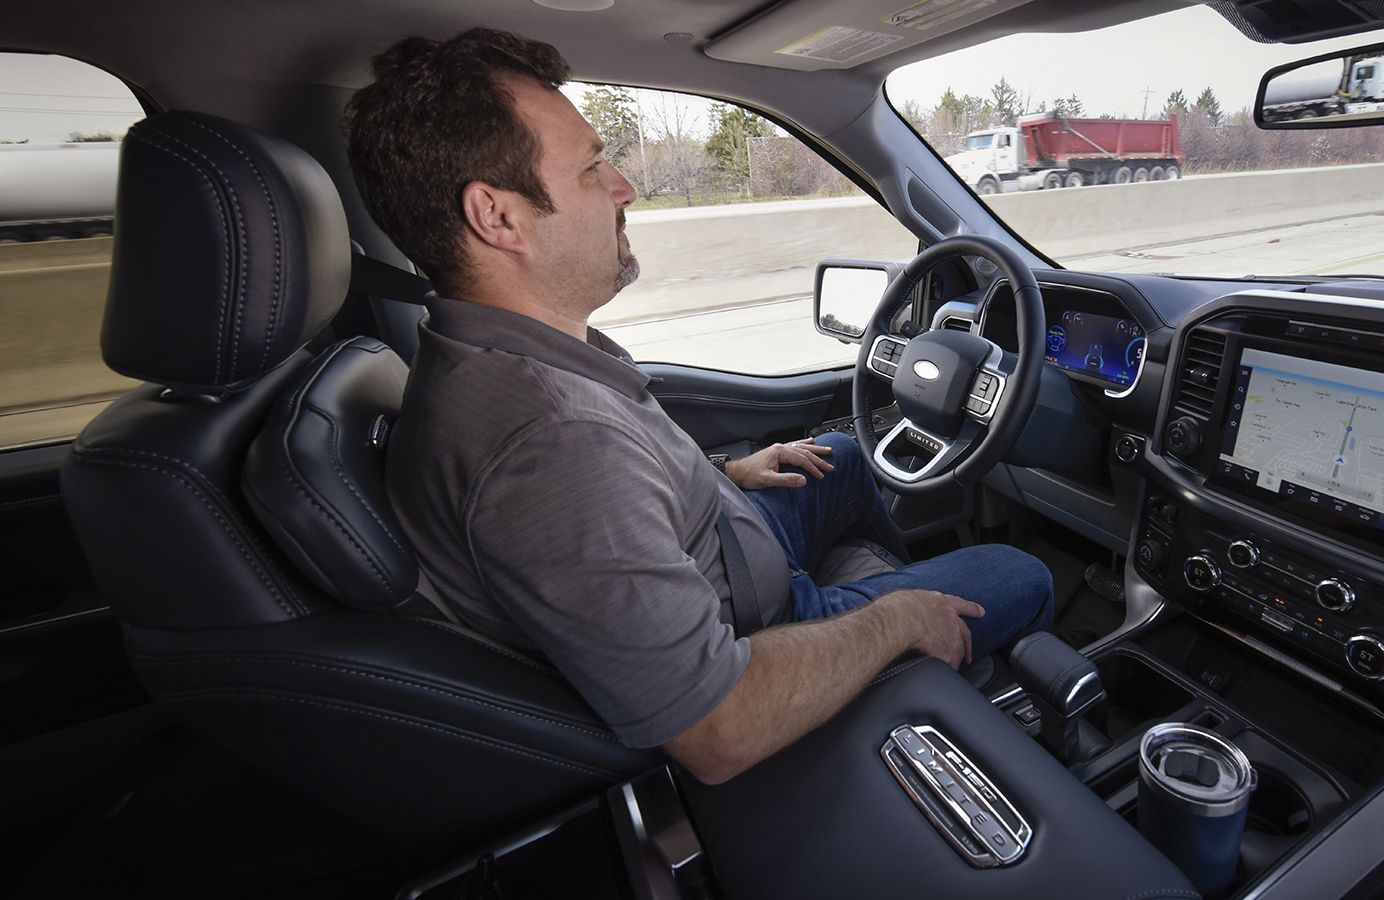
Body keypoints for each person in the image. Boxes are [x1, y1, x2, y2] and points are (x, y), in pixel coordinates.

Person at [344, 28, 1052, 784]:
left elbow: (616, 499)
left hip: (719, 559)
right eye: (591, 168)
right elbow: (718, 724)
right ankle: (921, 677)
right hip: (754, 637)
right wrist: (893, 622)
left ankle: (904, 635)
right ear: (498, 217)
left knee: (841, 458)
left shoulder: (503, 354)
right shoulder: (549, 443)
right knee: (1022, 573)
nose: (624, 187)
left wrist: (722, 478)